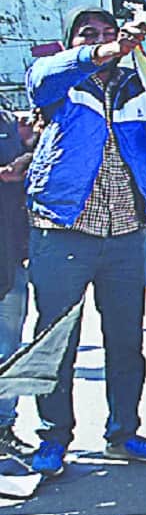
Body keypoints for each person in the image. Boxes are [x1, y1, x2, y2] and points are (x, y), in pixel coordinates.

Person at [24, 6, 146, 475]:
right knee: (56, 342)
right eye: (88, 34)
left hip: (126, 232)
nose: (105, 39)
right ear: (71, 41)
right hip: (63, 230)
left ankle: (124, 433)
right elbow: (40, 79)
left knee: (127, 341)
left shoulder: (140, 85)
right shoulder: (60, 80)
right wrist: (103, 50)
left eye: (111, 32)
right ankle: (53, 439)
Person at [0, 109, 34, 459]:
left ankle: (3, 431)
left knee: (8, 350)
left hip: (9, 254)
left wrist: (27, 143)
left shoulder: (6, 117)